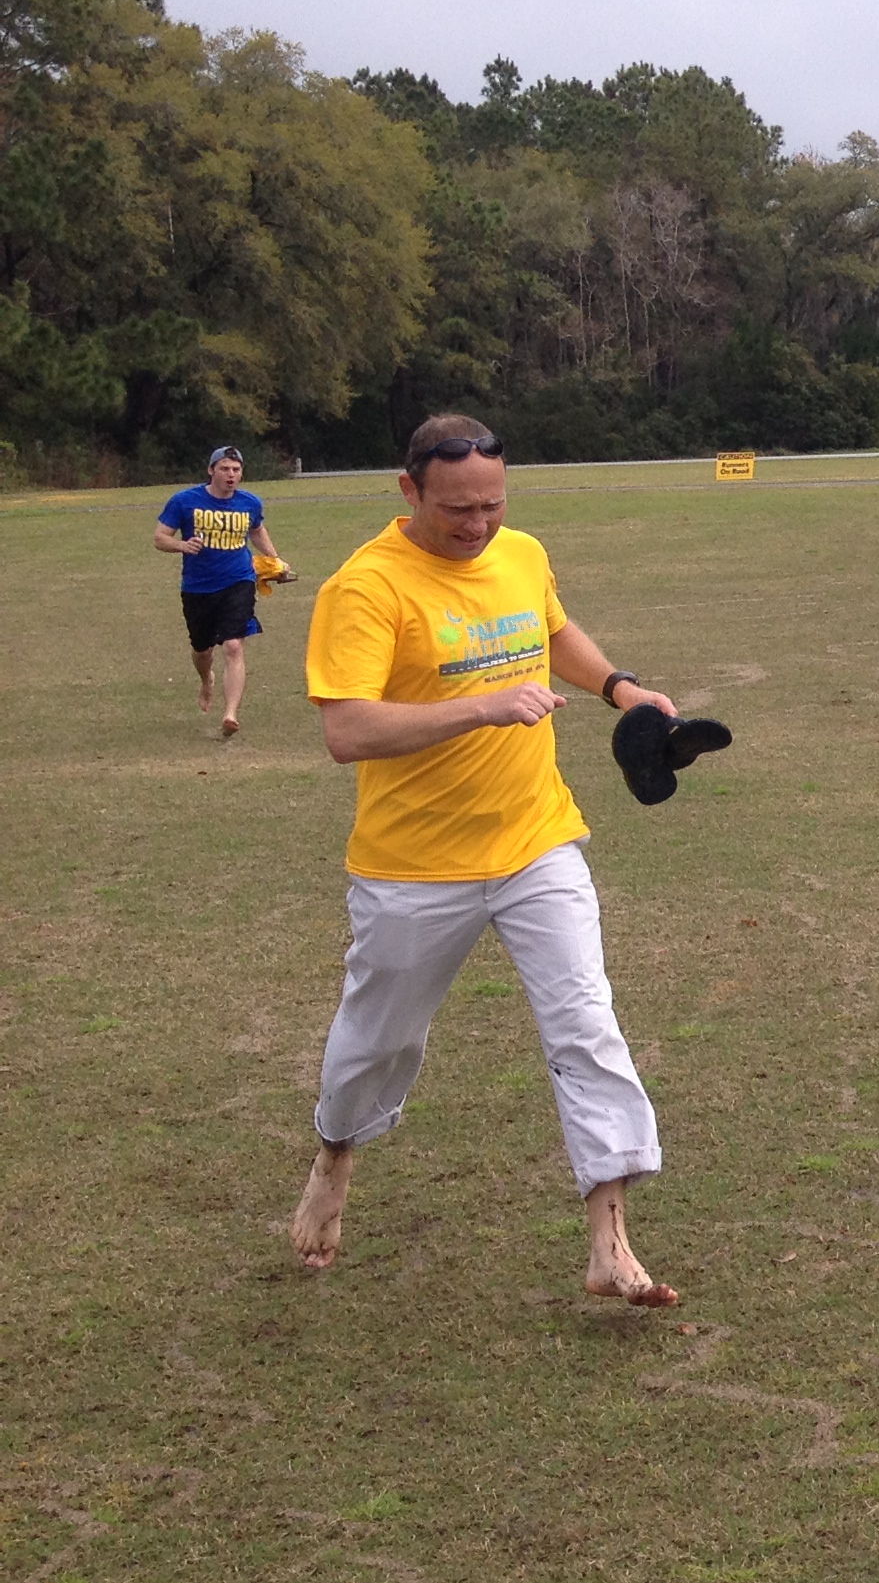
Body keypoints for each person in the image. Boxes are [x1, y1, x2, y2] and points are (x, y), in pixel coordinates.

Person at [289, 415, 683, 1307]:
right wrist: (481, 706)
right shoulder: (366, 588)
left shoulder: (521, 552)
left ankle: (610, 1241)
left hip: (535, 841)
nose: (478, 525)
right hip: (413, 866)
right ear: (410, 491)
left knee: (585, 1023)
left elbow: (552, 630)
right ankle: (335, 1156)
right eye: (458, 509)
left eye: (493, 505)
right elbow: (347, 729)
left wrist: (621, 687)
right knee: (379, 1040)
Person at [152, 445, 294, 738]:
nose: (231, 475)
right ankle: (207, 680)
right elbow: (160, 538)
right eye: (225, 469)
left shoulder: (249, 503)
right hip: (198, 587)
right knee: (202, 649)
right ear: (211, 470)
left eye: (236, 470)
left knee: (233, 646)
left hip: (239, 580)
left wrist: (275, 561)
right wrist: (182, 545)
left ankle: (230, 714)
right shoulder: (184, 501)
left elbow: (256, 530)